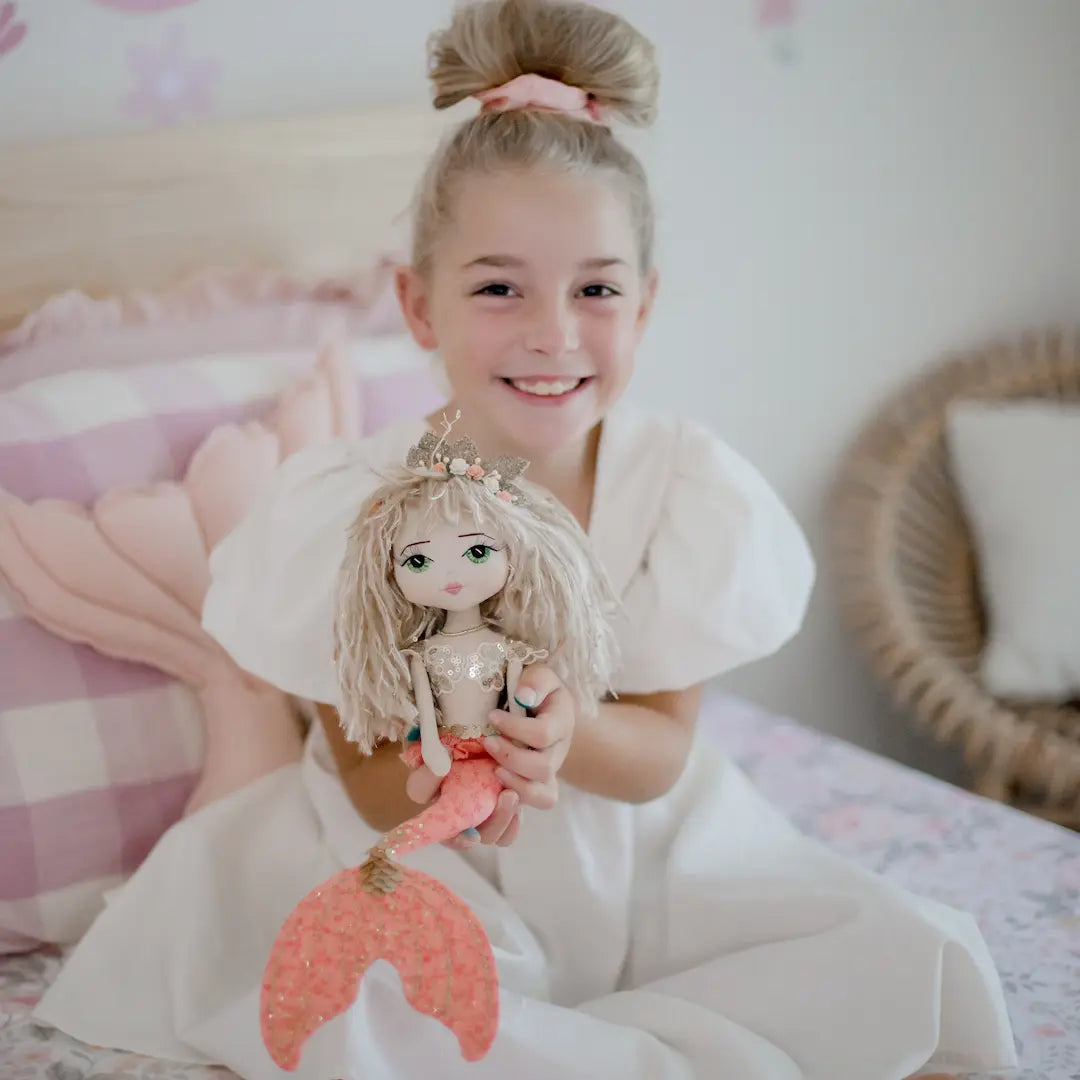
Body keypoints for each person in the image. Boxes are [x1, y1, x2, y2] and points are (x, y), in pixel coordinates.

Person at [35, 1, 1016, 1077]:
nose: (553, 333)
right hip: (418, 850)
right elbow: (361, 774)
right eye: (499, 288)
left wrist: (555, 736)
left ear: (643, 308)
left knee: (888, 946)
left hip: (639, 848)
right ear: (418, 307)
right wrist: (446, 769)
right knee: (394, 1006)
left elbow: (659, 755)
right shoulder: (347, 508)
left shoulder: (680, 486)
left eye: (596, 290)